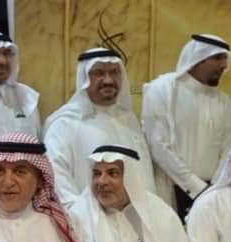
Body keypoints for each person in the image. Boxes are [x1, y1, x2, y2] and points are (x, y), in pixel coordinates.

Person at [44, 48, 157, 208]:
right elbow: (58, 178)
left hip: (135, 216)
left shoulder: (128, 119)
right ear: (85, 78)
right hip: (89, 218)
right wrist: (81, 216)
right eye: (99, 73)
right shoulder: (64, 124)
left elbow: (143, 171)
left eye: (114, 72)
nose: (108, 80)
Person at [143, 34, 231, 216]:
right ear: (198, 58)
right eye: (218, 58)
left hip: (212, 193)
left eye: (225, 59)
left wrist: (215, 186)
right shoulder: (162, 89)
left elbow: (228, 147)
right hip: (170, 188)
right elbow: (157, 144)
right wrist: (195, 186)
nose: (224, 65)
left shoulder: (223, 100)